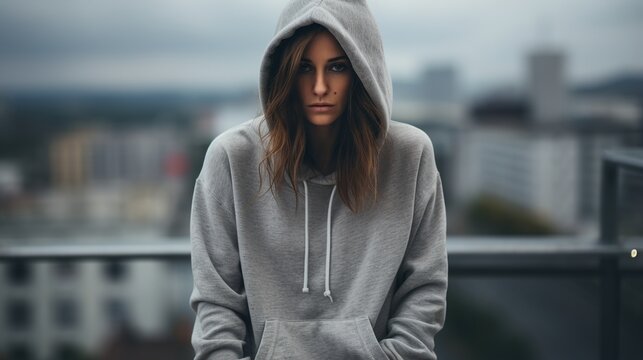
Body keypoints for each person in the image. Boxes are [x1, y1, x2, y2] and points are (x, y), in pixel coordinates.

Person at [189, 0, 448, 359]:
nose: (321, 86)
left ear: (362, 70)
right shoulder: (232, 159)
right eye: (305, 68)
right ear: (284, 73)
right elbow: (216, 304)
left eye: (338, 67)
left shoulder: (410, 156)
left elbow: (424, 290)